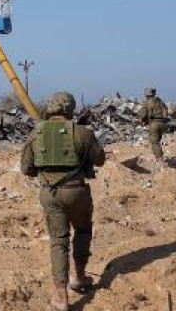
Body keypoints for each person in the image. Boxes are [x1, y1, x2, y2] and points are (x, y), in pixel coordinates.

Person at [21, 91, 106, 310]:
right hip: (76, 191)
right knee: (83, 231)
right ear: (70, 108)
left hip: (50, 194)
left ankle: (61, 296)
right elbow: (100, 160)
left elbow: (26, 168)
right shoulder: (83, 133)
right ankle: (78, 277)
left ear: (50, 108)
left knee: (58, 241)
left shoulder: (36, 133)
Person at [138, 87, 169, 165]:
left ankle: (160, 160)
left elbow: (142, 114)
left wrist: (141, 120)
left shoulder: (147, 103)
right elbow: (166, 111)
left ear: (146, 95)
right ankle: (159, 156)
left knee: (154, 142)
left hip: (153, 124)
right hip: (162, 124)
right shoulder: (160, 102)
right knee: (157, 141)